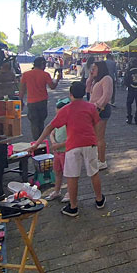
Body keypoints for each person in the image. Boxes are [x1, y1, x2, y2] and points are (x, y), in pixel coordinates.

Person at [30, 81, 105, 216]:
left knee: (72, 176)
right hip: (90, 143)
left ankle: (73, 206)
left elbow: (49, 127)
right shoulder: (91, 107)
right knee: (94, 172)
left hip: (72, 145)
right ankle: (99, 200)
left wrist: (37, 143)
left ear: (70, 94)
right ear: (84, 93)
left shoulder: (66, 109)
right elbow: (97, 123)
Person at [20, 56, 61, 140]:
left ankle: (36, 141)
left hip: (31, 102)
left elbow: (22, 90)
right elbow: (52, 86)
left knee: (34, 122)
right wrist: (57, 79)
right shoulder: (45, 74)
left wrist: (20, 101)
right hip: (42, 101)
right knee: (41, 121)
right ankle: (40, 140)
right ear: (42, 64)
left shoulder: (26, 74)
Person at [86, 60, 113, 169]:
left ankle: (102, 160)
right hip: (93, 109)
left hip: (101, 110)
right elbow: (88, 91)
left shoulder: (107, 79)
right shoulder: (97, 80)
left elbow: (106, 96)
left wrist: (98, 107)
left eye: (94, 68)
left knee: (99, 137)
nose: (92, 70)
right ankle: (96, 157)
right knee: (94, 136)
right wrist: (90, 78)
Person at [44, 97, 70, 202]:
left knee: (68, 173)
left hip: (65, 152)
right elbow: (52, 133)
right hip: (57, 152)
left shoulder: (69, 123)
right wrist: (54, 142)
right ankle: (57, 190)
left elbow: (72, 139)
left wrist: (59, 145)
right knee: (57, 172)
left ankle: (69, 192)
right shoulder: (57, 121)